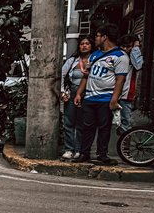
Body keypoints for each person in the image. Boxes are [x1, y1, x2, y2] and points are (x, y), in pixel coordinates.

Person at [73, 25, 129, 165]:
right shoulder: (95, 55)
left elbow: (120, 80)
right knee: (87, 127)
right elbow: (86, 76)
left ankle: (102, 154)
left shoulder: (120, 57)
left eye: (98, 36)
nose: (95, 39)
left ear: (105, 37)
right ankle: (84, 153)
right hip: (90, 97)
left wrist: (114, 99)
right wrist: (79, 93)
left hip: (106, 98)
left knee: (104, 127)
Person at [60, 35, 93, 159]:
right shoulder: (72, 61)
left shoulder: (94, 60)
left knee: (82, 123)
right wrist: (63, 92)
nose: (84, 46)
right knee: (69, 122)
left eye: (87, 44)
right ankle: (69, 149)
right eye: (82, 44)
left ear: (91, 46)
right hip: (73, 92)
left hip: (88, 93)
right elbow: (62, 75)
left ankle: (79, 149)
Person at [117, 33, 143, 133]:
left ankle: (125, 147)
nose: (125, 48)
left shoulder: (133, 56)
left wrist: (136, 47)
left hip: (126, 94)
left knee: (126, 123)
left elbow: (138, 65)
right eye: (123, 46)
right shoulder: (119, 56)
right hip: (114, 93)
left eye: (128, 46)